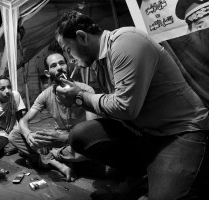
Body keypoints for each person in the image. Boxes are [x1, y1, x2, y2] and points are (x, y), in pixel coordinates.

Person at [55, 10, 209, 199]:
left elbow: (125, 107)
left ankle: (157, 176)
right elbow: (110, 110)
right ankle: (138, 176)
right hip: (144, 132)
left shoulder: (126, 41)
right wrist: (77, 99)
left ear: (81, 37)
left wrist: (80, 96)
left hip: (178, 132)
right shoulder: (99, 63)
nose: (70, 58)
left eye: (68, 49)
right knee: (80, 135)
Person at [9, 52, 98, 181]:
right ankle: (61, 166)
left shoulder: (86, 90)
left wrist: (63, 138)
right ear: (47, 73)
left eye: (62, 63)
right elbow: (24, 120)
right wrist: (29, 136)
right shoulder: (45, 95)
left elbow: (91, 135)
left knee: (86, 152)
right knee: (15, 134)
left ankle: (45, 159)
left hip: (77, 142)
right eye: (54, 65)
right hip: (56, 142)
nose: (59, 68)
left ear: (68, 67)